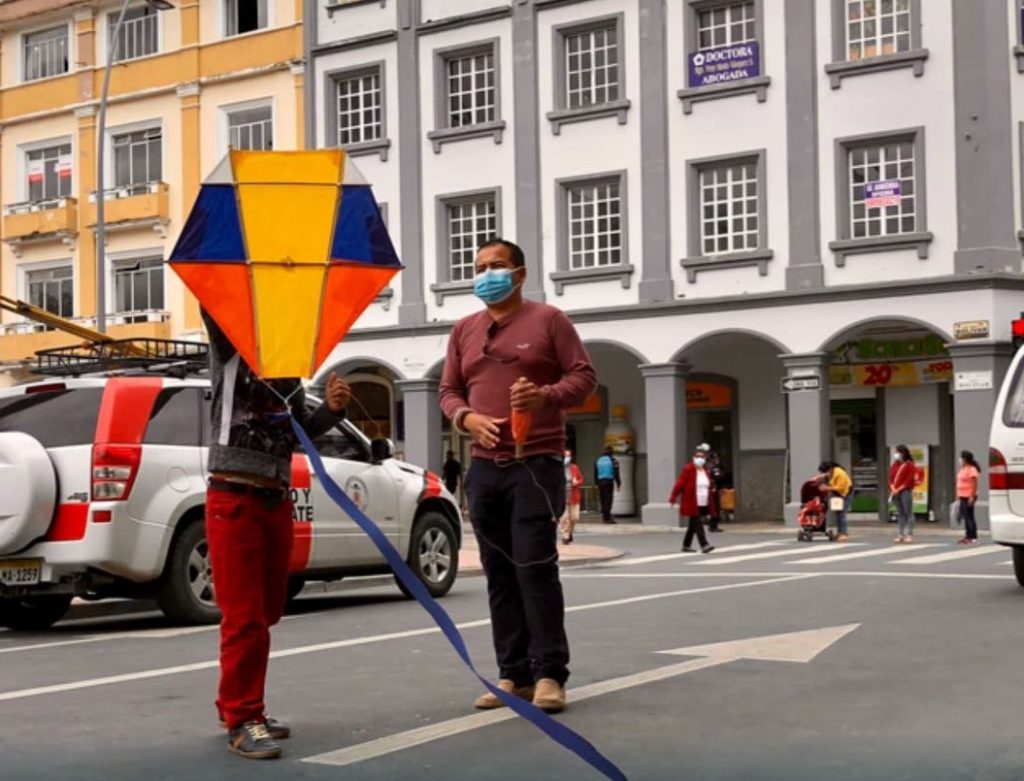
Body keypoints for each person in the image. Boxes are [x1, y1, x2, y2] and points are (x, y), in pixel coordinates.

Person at [438, 238, 597, 715]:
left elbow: (584, 378)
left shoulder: (549, 320)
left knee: (535, 569)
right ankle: (514, 673)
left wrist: (545, 396)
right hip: (484, 468)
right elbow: (448, 390)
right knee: (499, 573)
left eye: (498, 266)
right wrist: (467, 419)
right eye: (480, 266)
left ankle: (550, 674)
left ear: (520, 274)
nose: (487, 274)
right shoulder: (464, 329)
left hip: (536, 462)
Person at [202, 311, 351, 760]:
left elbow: (299, 428)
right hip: (234, 496)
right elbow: (215, 305)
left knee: (267, 609)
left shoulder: (289, 373)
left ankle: (239, 704)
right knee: (244, 616)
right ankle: (243, 716)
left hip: (275, 497)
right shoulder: (230, 349)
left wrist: (333, 410)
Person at [668, 448, 716, 554]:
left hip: (703, 501)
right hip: (692, 501)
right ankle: (704, 544)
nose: (699, 459)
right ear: (693, 458)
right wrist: (673, 497)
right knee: (697, 522)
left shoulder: (705, 471)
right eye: (697, 457)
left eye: (702, 457)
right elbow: (679, 483)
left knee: (693, 524)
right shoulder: (688, 469)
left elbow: (708, 485)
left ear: (705, 459)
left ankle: (686, 545)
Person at [818, 461, 853, 542]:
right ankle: (840, 532)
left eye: (824, 472)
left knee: (842, 513)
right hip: (837, 494)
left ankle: (844, 533)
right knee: (838, 513)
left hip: (845, 493)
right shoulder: (830, 473)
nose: (824, 474)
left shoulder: (839, 473)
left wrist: (827, 488)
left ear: (829, 469)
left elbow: (841, 487)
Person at [889, 444, 917, 543]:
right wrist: (892, 488)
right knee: (900, 513)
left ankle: (909, 534)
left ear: (903, 453)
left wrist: (899, 488)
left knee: (908, 512)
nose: (896, 454)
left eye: (898, 452)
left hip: (905, 491)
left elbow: (909, 480)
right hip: (895, 491)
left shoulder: (910, 465)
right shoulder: (895, 464)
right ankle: (901, 534)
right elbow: (891, 478)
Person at [956, 450, 982, 545]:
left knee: (969, 516)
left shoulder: (972, 469)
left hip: (969, 495)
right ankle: (968, 535)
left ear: (965, 459)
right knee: (966, 516)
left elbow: (974, 484)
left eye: (961, 458)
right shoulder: (963, 469)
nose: (960, 460)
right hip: (962, 495)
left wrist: (972, 496)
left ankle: (973, 536)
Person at [698, 443, 725, 532]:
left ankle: (712, 524)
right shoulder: (704, 462)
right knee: (710, 506)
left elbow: (718, 474)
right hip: (706, 487)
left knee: (713, 506)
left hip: (710, 486)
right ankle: (710, 524)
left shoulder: (710, 462)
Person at [560, 450, 584, 545]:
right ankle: (565, 536)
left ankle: (570, 533)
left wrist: (576, 482)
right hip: (563, 497)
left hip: (574, 497)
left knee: (574, 518)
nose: (567, 458)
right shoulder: (559, 469)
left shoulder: (574, 468)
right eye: (566, 456)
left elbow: (581, 479)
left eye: (569, 456)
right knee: (564, 518)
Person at [594, 446, 621, 523]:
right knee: (608, 499)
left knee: (602, 499)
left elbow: (595, 473)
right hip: (608, 482)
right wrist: (618, 483)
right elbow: (616, 473)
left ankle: (604, 515)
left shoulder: (598, 460)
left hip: (600, 482)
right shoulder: (614, 460)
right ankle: (607, 517)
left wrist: (596, 484)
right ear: (612, 452)